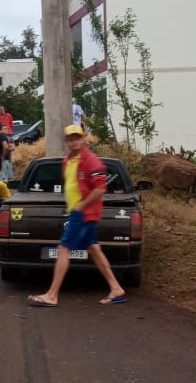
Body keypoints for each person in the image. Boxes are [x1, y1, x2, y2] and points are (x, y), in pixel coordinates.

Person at [27, 124, 127, 307]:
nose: (74, 142)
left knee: (63, 249)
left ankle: (51, 295)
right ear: (67, 142)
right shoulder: (67, 161)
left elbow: (100, 188)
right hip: (77, 211)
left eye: (77, 138)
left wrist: (81, 206)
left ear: (83, 139)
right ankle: (116, 288)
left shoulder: (91, 160)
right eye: (70, 139)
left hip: (83, 213)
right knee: (94, 250)